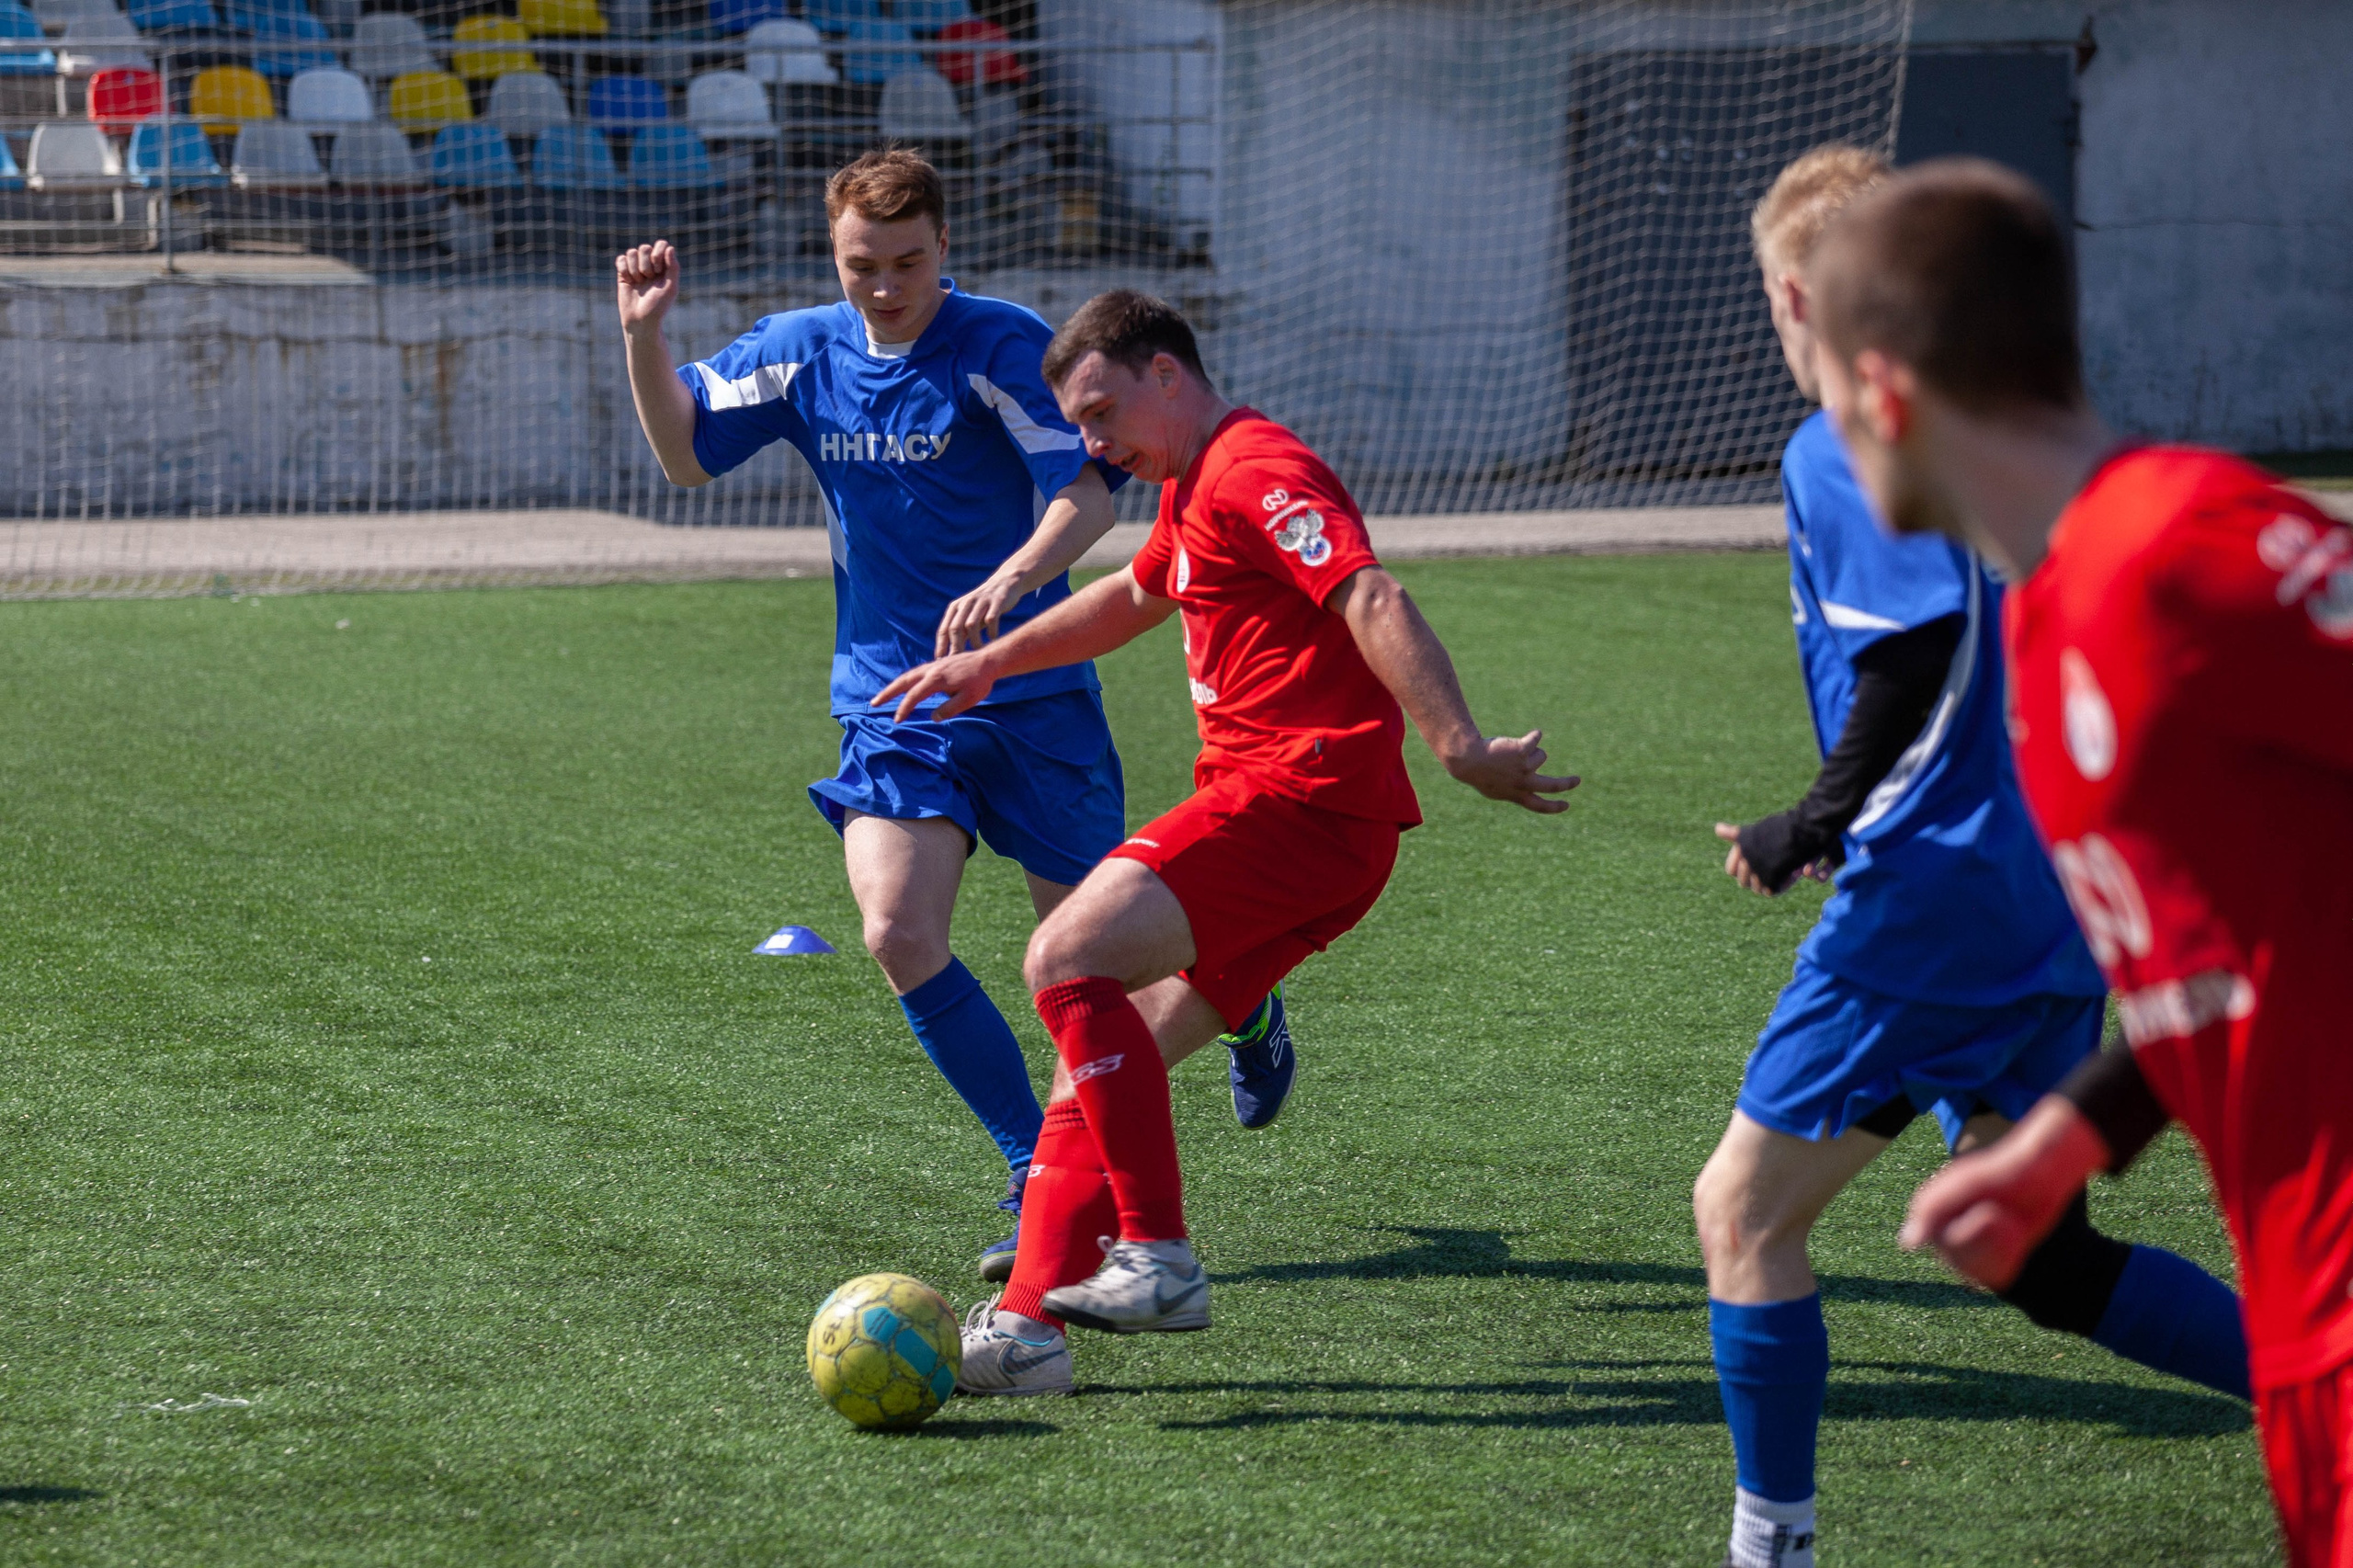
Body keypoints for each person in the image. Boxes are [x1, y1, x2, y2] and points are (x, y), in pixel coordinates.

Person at [1694, 146, 2250, 1568]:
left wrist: (1805, 825)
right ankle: (2325, 1383)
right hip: (2048, 893)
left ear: (1798, 291)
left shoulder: (1837, 444)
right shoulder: (1986, 432)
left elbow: (1916, 658)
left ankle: (1773, 1543)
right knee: (2036, 1252)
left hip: (1929, 905)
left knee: (1741, 1214)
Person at [873, 289, 1577, 1395]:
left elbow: (1369, 592)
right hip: (1319, 831)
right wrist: (989, 662)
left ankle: (1157, 1253)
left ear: (1168, 373)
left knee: (1064, 957)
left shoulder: (1255, 467)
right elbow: (1129, 596)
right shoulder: (1197, 487)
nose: (1095, 442)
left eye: (1104, 412)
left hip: (1303, 797)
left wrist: (1458, 744)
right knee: (1094, 1068)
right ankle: (1027, 1335)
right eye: (1082, 425)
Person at [1802, 157, 2353, 1567]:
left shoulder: (2184, 544)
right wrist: (2066, 1141)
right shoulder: (2046, 633)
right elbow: (2217, 965)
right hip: (2296, 1296)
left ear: (1889, 391)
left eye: (1823, 377)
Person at [612, 150, 1291, 1287]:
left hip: (1028, 693)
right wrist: (643, 331)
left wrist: (1015, 581)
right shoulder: (799, 351)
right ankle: (1034, 1165)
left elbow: (1087, 489)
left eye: (908, 261)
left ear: (945, 244)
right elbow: (683, 457)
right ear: (833, 256)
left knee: (1100, 969)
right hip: (892, 699)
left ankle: (1244, 994)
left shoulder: (996, 342)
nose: (885, 286)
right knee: (895, 929)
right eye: (861, 266)